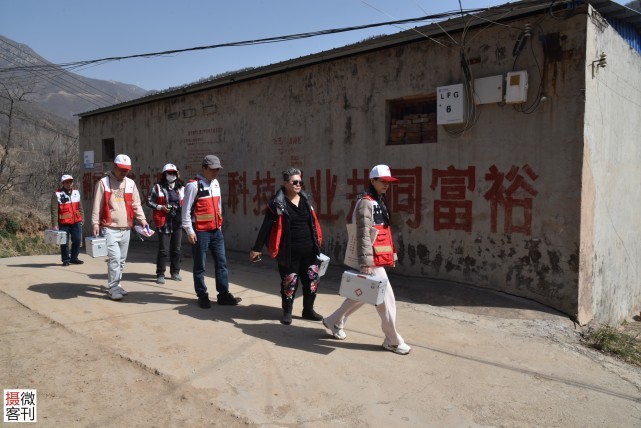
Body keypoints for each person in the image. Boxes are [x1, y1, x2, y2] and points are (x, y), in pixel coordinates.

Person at [322, 165, 411, 355]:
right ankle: (392, 340)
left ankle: (333, 320)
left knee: (362, 294)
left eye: (388, 182)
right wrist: (366, 263)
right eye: (382, 181)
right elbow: (363, 235)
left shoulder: (378, 200)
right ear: (372, 180)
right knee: (386, 299)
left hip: (375, 258)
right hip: (370, 260)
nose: (387, 184)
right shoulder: (366, 202)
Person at [250, 168, 324, 325]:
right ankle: (287, 312)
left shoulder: (306, 200)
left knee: (312, 281)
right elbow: (266, 226)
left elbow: (313, 224)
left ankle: (308, 310)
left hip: (309, 250)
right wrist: (256, 248)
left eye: (300, 182)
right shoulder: (277, 204)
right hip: (288, 252)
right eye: (294, 182)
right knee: (290, 283)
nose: (298, 185)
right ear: (285, 184)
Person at [181, 155, 241, 308]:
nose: (215, 173)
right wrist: (189, 231)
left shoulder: (215, 184)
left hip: (216, 231)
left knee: (221, 263)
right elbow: (186, 211)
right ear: (204, 168)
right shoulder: (193, 186)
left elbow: (218, 206)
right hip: (200, 232)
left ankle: (223, 294)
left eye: (217, 170)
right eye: (212, 170)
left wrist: (219, 226)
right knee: (200, 265)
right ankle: (202, 295)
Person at [91, 154, 149, 301]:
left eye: (127, 170)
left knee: (121, 260)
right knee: (115, 258)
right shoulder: (103, 183)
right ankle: (113, 287)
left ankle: (116, 284)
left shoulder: (130, 184)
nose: (124, 172)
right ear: (115, 167)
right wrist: (95, 223)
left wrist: (142, 220)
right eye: (121, 169)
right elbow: (96, 205)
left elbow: (136, 204)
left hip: (126, 227)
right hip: (109, 227)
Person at [147, 163, 185, 284]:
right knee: (163, 249)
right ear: (164, 174)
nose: (171, 175)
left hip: (177, 221)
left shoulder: (181, 188)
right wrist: (161, 207)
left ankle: (175, 272)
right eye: (169, 173)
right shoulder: (157, 187)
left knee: (177, 249)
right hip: (164, 222)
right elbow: (149, 201)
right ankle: (160, 273)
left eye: (173, 173)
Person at [50, 174, 84, 266]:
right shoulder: (57, 194)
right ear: (63, 183)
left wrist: (82, 218)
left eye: (70, 181)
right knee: (64, 241)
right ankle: (65, 259)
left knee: (77, 239)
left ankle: (74, 258)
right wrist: (54, 224)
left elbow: (80, 207)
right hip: (63, 222)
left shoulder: (76, 192)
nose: (69, 183)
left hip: (76, 221)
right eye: (66, 182)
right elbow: (54, 210)